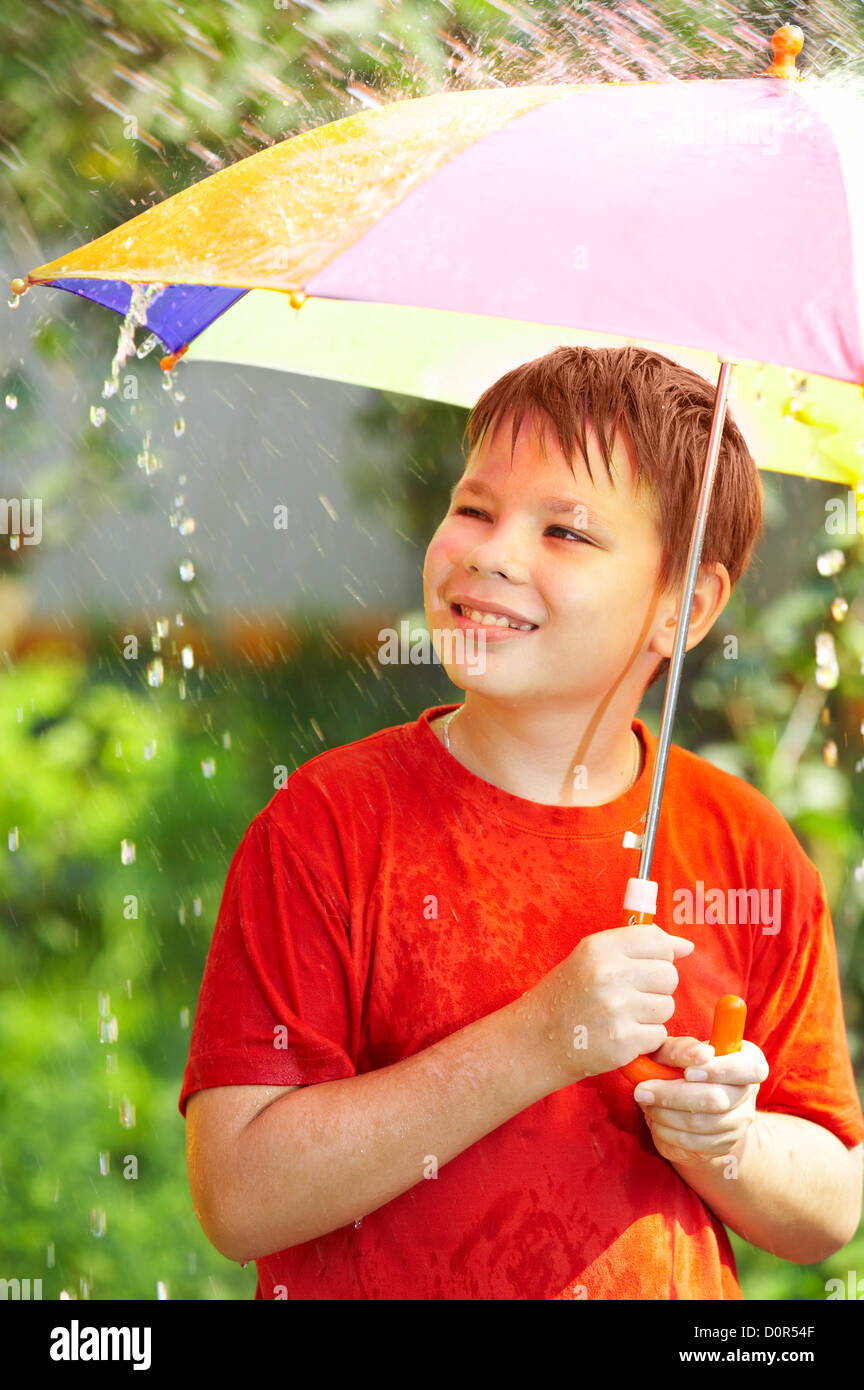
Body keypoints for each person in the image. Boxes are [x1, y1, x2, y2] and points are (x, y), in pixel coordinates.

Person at [179, 345, 864, 1300]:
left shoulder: (745, 850)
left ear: (687, 605)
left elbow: (830, 1205)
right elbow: (241, 1194)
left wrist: (731, 1144)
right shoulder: (326, 827)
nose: (493, 553)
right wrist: (536, 1043)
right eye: (474, 509)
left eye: (567, 533)